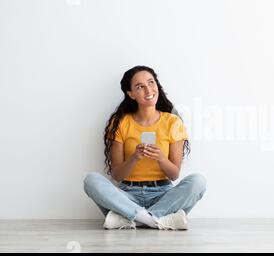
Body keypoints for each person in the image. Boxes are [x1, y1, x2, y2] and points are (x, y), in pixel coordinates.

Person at [83, 65, 206, 230]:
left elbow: (174, 174)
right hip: (128, 195)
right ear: (131, 94)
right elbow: (117, 175)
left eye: (151, 82)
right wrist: (134, 158)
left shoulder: (172, 122)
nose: (148, 89)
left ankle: (133, 219)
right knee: (91, 180)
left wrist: (161, 158)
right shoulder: (120, 123)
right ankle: (158, 220)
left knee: (198, 181)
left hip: (163, 194)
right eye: (140, 87)